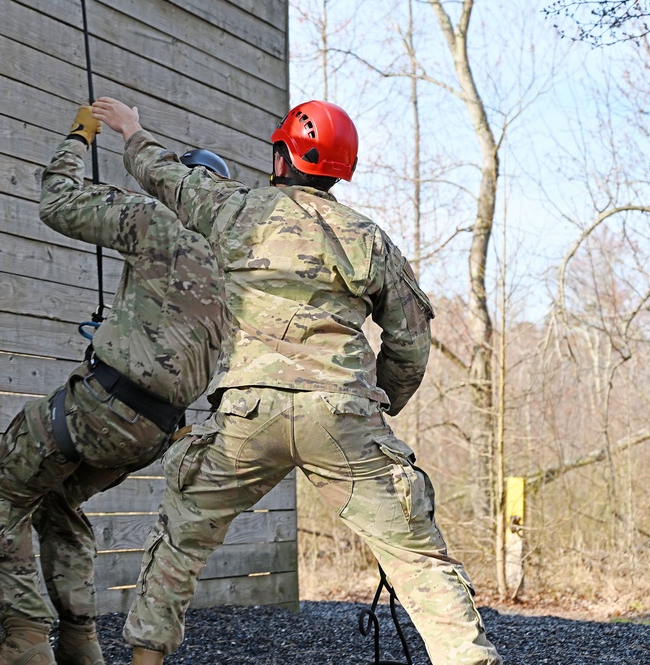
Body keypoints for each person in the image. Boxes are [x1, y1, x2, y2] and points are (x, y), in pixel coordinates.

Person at [91, 96, 503, 665]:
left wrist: (132, 132)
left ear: (283, 155)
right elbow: (409, 341)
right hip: (341, 415)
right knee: (416, 558)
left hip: (246, 417)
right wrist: (380, 407)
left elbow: (168, 178)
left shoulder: (237, 210)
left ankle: (145, 660)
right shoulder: (369, 238)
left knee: (182, 541)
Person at [0, 106, 230, 665]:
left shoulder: (156, 220)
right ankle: (80, 643)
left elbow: (58, 200)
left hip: (100, 410)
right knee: (56, 498)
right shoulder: (236, 260)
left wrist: (80, 135)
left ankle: (25, 641)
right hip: (155, 433)